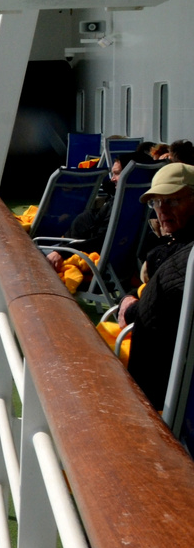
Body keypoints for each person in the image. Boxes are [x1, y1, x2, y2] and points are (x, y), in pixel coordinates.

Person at [117, 163, 194, 410]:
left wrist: (128, 308)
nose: (162, 210)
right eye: (156, 203)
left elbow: (154, 310)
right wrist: (130, 297)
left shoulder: (185, 260)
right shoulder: (169, 246)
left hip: (160, 392)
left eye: (171, 201)